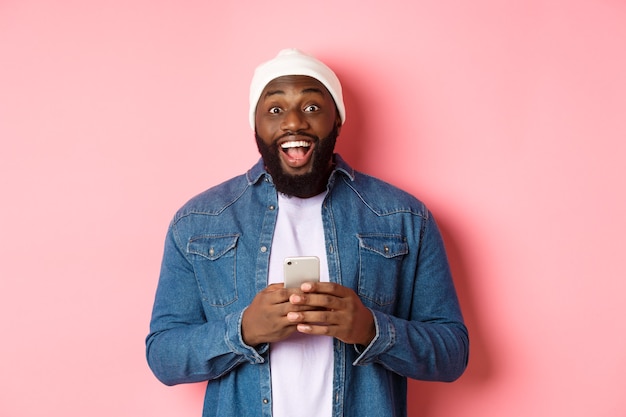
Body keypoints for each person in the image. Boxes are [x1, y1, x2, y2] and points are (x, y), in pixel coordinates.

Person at [146, 48, 469, 417]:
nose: (294, 122)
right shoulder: (200, 221)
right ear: (256, 126)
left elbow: (452, 353)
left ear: (338, 122)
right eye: (275, 109)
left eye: (312, 107)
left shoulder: (403, 217)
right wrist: (242, 331)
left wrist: (371, 329)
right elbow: (163, 356)